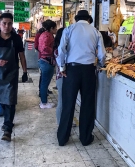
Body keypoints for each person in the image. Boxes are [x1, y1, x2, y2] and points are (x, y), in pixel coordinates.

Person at [56, 10, 106, 146]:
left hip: (71, 70)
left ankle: (62, 138)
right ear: (89, 19)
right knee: (87, 104)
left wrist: (62, 68)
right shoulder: (96, 32)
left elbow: (61, 50)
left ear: (76, 19)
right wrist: (100, 65)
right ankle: (85, 138)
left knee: (68, 104)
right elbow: (102, 54)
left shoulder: (69, 29)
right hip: (88, 70)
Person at [0, 12, 28, 141]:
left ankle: (8, 129)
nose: (7, 26)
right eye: (4, 23)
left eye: (9, 23)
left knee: (10, 100)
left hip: (11, 73)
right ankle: (7, 121)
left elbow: (21, 55)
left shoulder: (16, 38)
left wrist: (25, 72)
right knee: (2, 100)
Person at [38, 20, 57, 109]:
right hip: (46, 61)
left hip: (44, 60)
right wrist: (53, 51)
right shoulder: (47, 35)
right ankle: (44, 103)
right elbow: (44, 48)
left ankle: (43, 101)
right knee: (45, 83)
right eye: (55, 28)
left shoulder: (43, 34)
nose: (56, 29)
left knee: (44, 83)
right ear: (51, 28)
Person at [54, 28, 65, 125]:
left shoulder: (62, 48)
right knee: (61, 102)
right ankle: (60, 123)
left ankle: (65, 121)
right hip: (61, 78)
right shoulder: (58, 50)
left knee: (66, 102)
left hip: (63, 78)